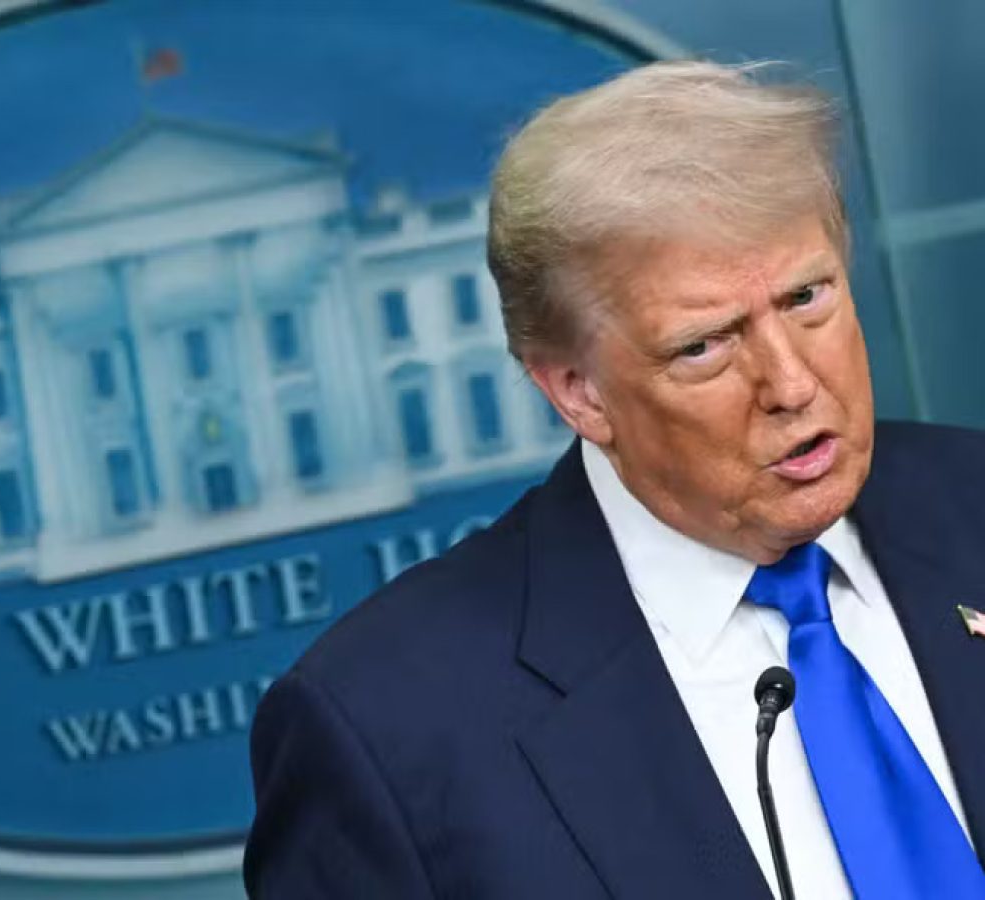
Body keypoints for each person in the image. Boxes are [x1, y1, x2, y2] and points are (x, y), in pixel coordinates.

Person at [243, 61, 985, 899]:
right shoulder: (387, 729)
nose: (791, 383)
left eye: (807, 297)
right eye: (706, 345)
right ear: (578, 392)